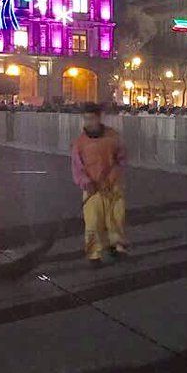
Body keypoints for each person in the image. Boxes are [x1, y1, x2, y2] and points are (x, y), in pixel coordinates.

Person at [70, 103, 128, 267]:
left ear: (99, 118)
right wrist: (86, 183)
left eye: (92, 118)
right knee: (93, 221)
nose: (89, 122)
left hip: (113, 186)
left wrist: (113, 177)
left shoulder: (113, 137)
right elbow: (77, 167)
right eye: (86, 119)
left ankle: (116, 246)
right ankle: (93, 253)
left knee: (116, 218)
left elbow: (121, 159)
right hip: (92, 189)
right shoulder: (80, 143)